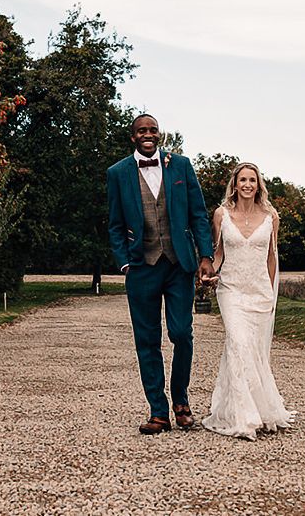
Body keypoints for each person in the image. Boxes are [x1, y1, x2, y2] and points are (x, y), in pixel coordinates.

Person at [107, 114, 215, 435]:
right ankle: (158, 411)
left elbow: (198, 213)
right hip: (141, 267)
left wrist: (205, 256)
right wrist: (125, 262)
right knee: (147, 341)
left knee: (182, 334)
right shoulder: (118, 173)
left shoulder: (181, 165)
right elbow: (114, 223)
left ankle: (181, 401)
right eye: (142, 130)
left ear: (160, 134)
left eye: (153, 130)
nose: (148, 134)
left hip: (179, 263)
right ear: (133, 137)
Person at [201, 162, 296, 440]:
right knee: (238, 342)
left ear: (258, 185)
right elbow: (217, 255)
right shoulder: (221, 214)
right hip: (230, 289)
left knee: (253, 350)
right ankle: (243, 418)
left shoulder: (271, 216)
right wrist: (209, 274)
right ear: (234, 183)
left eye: (252, 180)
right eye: (242, 179)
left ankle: (257, 408)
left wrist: (270, 292)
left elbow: (271, 258)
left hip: (259, 292)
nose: (247, 185)